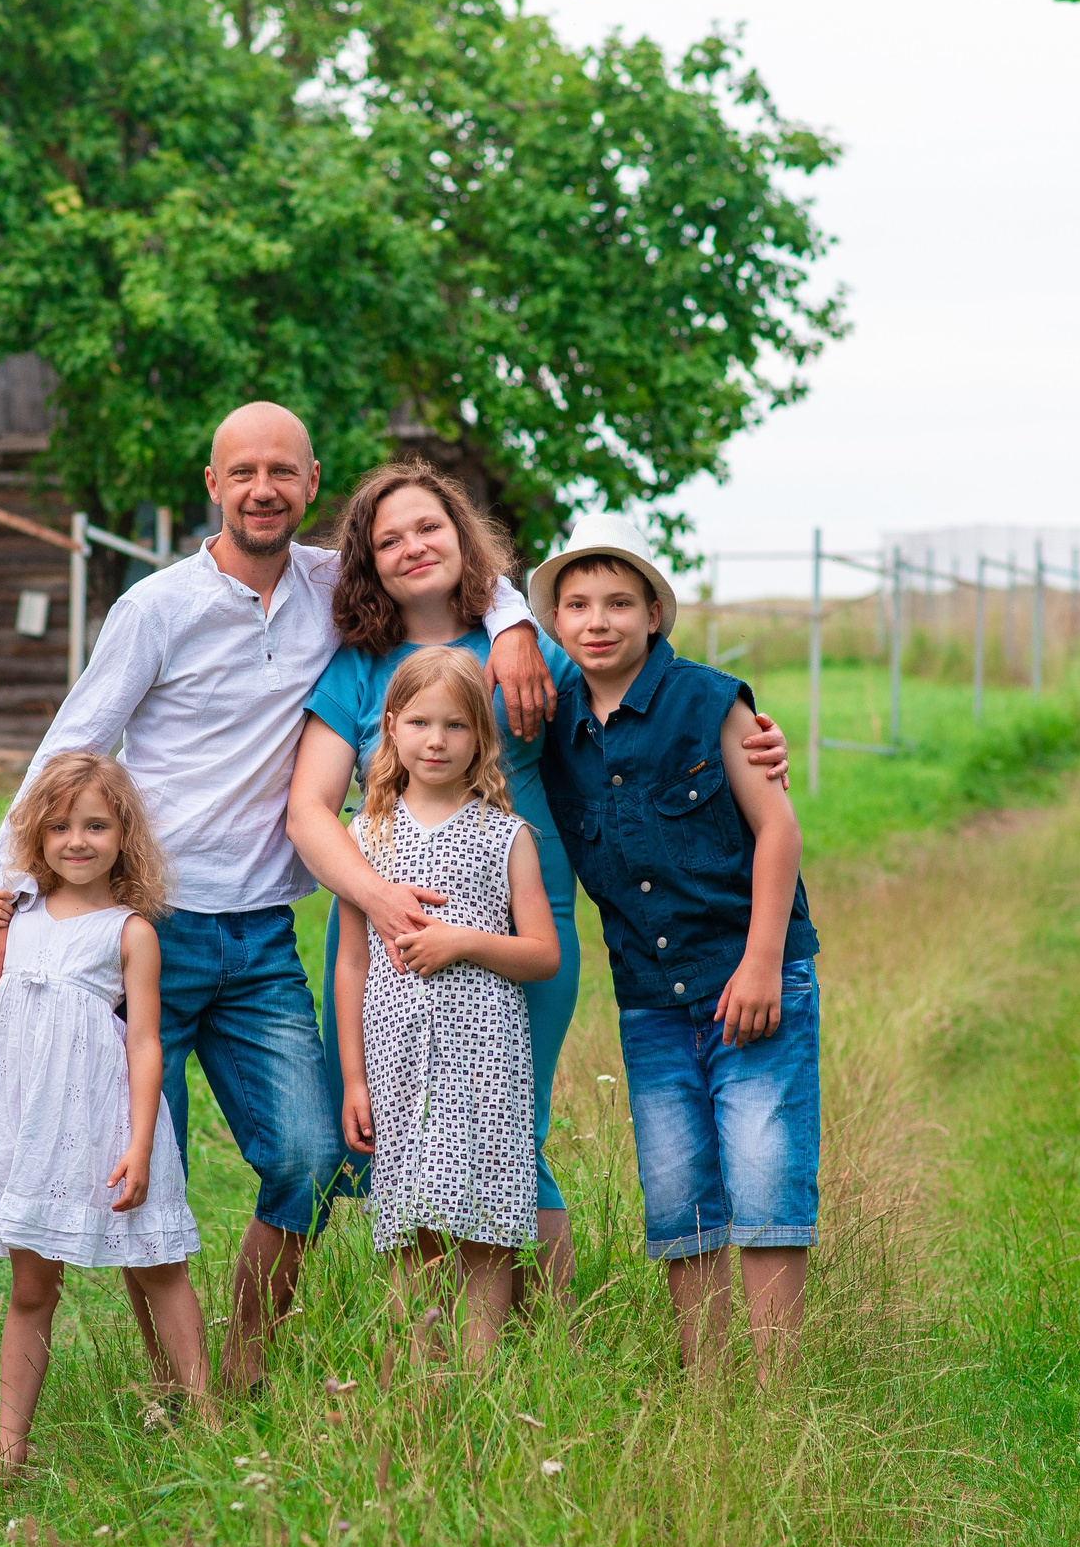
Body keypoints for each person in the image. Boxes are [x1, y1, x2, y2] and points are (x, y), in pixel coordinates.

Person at [0, 402, 552, 1395]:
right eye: (243, 472)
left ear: (312, 483)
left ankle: (245, 1347)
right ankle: (179, 1392)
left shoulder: (333, 586)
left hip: (259, 938)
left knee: (313, 1158)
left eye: (282, 470)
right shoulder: (158, 607)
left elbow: (462, 580)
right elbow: (76, 741)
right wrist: (2, 888)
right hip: (141, 927)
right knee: (150, 1177)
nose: (263, 488)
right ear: (213, 484)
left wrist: (520, 624)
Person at [287, 462, 792, 1303]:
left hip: (524, 909)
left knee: (513, 1123)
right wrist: (377, 901)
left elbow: (633, 701)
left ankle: (542, 1330)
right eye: (388, 540)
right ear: (367, 563)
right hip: (387, 919)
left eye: (430, 528)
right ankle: (432, 1342)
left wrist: (746, 741)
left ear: (463, 534)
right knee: (402, 1128)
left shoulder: (530, 645)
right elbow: (309, 811)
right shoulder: (356, 669)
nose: (413, 547)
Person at [530, 512, 823, 1382]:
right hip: (650, 995)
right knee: (676, 1188)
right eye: (577, 603)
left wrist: (764, 960)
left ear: (655, 611)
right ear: (554, 622)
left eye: (620, 600)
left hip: (751, 974)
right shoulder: (555, 733)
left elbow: (777, 829)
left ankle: (774, 1394)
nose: (598, 619)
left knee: (767, 1175)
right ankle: (708, 1384)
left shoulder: (709, 701)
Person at [0, 752, 206, 1484]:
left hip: (104, 1122)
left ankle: (206, 1419)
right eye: (59, 826)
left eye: (95, 824)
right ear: (36, 835)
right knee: (31, 1286)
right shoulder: (17, 920)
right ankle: (8, 1450)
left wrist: (142, 1144)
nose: (76, 840)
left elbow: (146, 1045)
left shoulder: (130, 932)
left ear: (124, 835)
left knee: (156, 1263)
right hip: (28, 1125)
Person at [334, 648, 561, 1368]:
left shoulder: (506, 836)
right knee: (411, 1214)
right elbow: (351, 961)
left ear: (481, 739)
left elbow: (543, 954)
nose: (437, 740)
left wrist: (463, 941)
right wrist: (354, 1080)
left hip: (485, 1052)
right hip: (396, 1053)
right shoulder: (365, 837)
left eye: (456, 726)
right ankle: (420, 1377)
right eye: (422, 723)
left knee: (485, 1212)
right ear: (392, 728)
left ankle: (481, 1371)